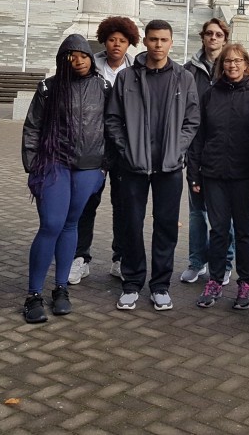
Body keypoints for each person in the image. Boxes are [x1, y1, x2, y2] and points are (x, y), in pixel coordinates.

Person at [104, 19, 199, 312]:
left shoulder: (184, 78)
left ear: (171, 43)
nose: (158, 45)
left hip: (168, 167)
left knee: (166, 227)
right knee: (131, 225)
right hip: (134, 166)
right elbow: (113, 119)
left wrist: (176, 149)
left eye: (163, 40)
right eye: (153, 39)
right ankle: (132, 283)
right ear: (145, 42)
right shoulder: (127, 78)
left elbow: (192, 120)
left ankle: (160, 286)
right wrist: (126, 150)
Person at [21, 35, 108, 323]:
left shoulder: (104, 87)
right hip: (53, 163)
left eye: (83, 55)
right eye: (72, 55)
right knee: (51, 225)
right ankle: (34, 294)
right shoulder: (49, 88)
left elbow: (111, 127)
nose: (79, 60)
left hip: (87, 167)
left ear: (90, 57)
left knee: (71, 224)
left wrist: (102, 168)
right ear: (63, 59)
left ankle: (60, 289)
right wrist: (32, 166)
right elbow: (33, 126)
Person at [188, 43, 249, 310]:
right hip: (214, 174)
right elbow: (199, 137)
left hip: (244, 176)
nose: (232, 65)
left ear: (246, 63)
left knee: (244, 232)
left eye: (237, 60)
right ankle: (215, 281)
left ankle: (245, 284)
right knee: (218, 231)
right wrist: (194, 174)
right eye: (227, 61)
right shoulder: (210, 94)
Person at [69, 16, 140, 285]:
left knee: (123, 206)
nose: (116, 45)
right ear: (104, 40)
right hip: (92, 146)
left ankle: (119, 258)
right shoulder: (90, 65)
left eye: (122, 41)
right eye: (112, 40)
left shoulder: (136, 70)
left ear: (129, 43)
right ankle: (79, 258)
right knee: (86, 203)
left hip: (122, 147)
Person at [182, 18, 235, 286]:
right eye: (209, 34)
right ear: (202, 37)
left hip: (225, 152)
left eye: (218, 34)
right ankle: (196, 262)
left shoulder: (232, 67)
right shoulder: (188, 70)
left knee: (224, 215)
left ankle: (225, 263)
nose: (213, 38)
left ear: (225, 39)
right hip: (196, 149)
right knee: (196, 212)